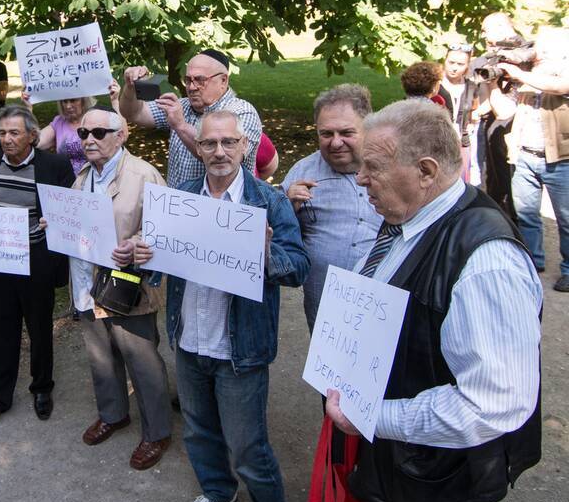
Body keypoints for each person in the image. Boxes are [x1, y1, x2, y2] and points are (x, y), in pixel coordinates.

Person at [326, 99, 542, 502]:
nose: (361, 180)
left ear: (425, 170)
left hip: (438, 481)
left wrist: (371, 416)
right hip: (408, 462)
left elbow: (492, 404)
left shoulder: (486, 263)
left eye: (374, 167)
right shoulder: (416, 213)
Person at [168, 110, 308, 502]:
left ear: (245, 146)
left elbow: (298, 266)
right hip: (190, 337)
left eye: (229, 143)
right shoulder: (183, 195)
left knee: (248, 443)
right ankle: (217, 490)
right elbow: (166, 258)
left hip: (240, 347)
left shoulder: (268, 201)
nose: (219, 152)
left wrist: (267, 255)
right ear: (199, 148)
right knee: (199, 428)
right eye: (209, 144)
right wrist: (144, 252)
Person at [69, 107, 172, 470]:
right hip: (86, 282)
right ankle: (113, 414)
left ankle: (157, 432)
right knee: (100, 355)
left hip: (127, 286)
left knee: (142, 361)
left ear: (122, 134)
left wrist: (137, 242)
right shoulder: (83, 175)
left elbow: (166, 229)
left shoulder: (144, 174)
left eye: (99, 132)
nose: (90, 140)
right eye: (83, 134)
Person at [0, 106, 75, 434]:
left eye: (14, 133)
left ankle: (42, 387)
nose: (7, 139)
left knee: (39, 326)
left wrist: (55, 221)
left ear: (33, 136)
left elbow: (71, 209)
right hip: (0, 258)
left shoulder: (54, 165)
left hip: (36, 258)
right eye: (2, 133)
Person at [282, 84, 381, 330]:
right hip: (325, 304)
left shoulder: (392, 168)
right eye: (326, 134)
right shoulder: (302, 172)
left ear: (367, 128)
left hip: (384, 301)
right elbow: (276, 238)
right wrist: (287, 208)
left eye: (346, 132)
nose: (336, 143)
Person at [119, 50, 262, 187]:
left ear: (223, 80)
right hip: (179, 205)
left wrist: (180, 125)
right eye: (188, 80)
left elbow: (221, 157)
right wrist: (130, 87)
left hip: (223, 207)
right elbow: (134, 113)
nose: (192, 87)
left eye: (200, 80)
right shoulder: (182, 105)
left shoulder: (242, 113)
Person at [501, 26, 569, 292]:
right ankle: (532, 263)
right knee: (526, 215)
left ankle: (568, 270)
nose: (537, 51)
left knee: (566, 219)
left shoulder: (559, 73)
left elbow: (560, 86)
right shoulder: (531, 74)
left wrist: (520, 74)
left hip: (560, 160)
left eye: (543, 47)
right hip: (525, 155)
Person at [475, 12, 522, 217]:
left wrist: (491, 79)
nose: (483, 35)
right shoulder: (497, 54)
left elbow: (503, 110)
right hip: (496, 132)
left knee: (510, 195)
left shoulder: (518, 56)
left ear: (502, 28)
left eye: (486, 30)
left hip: (511, 133)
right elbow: (487, 105)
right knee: (496, 186)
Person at [438, 43, 480, 183]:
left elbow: (474, 111)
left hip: (462, 143)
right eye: (451, 62)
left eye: (460, 64)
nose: (454, 68)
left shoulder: (471, 87)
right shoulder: (434, 85)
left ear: (467, 65)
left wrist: (471, 125)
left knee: (461, 182)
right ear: (445, 60)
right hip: (438, 143)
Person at [37, 96, 94, 174]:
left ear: (84, 100)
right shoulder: (59, 122)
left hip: (92, 178)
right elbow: (35, 142)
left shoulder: (95, 119)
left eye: (73, 100)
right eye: (65, 101)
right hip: (65, 180)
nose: (68, 106)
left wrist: (114, 102)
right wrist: (28, 110)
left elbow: (115, 143)